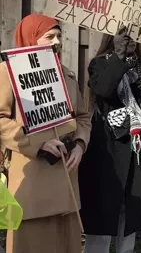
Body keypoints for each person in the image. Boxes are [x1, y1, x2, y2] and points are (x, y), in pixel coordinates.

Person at [0, 14, 91, 253]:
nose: (57, 41)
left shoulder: (67, 75)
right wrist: (37, 143)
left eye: (59, 36)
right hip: (32, 181)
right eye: (49, 36)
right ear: (30, 39)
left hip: (66, 181)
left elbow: (83, 116)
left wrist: (80, 144)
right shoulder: (7, 73)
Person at [80, 29, 141, 253]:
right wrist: (120, 56)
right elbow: (103, 89)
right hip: (109, 148)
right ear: (112, 38)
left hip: (136, 146)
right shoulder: (99, 63)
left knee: (130, 209)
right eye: (125, 36)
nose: (131, 40)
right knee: (104, 210)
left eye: (134, 36)